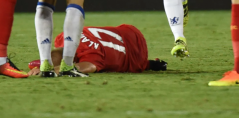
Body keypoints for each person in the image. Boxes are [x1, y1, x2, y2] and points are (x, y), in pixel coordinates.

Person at [26, 25, 168, 75]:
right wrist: (47, 64)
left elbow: (89, 66)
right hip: (126, 31)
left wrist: (52, 71)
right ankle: (153, 64)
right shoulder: (64, 36)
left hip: (134, 54)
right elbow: (58, 53)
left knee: (138, 65)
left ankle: (149, 64)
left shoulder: (91, 53)